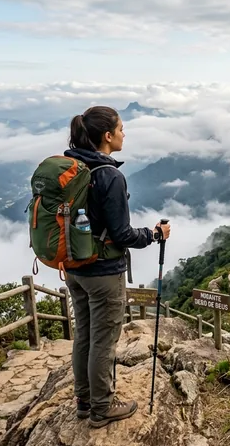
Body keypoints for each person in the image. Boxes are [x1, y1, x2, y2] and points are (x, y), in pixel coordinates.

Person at [63, 105, 170, 428]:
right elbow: (122, 235)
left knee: (83, 335)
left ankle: (84, 400)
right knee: (103, 341)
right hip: (103, 273)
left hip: (74, 269)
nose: (125, 134)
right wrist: (153, 234)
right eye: (122, 129)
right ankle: (102, 407)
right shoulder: (109, 175)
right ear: (107, 136)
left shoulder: (74, 166)